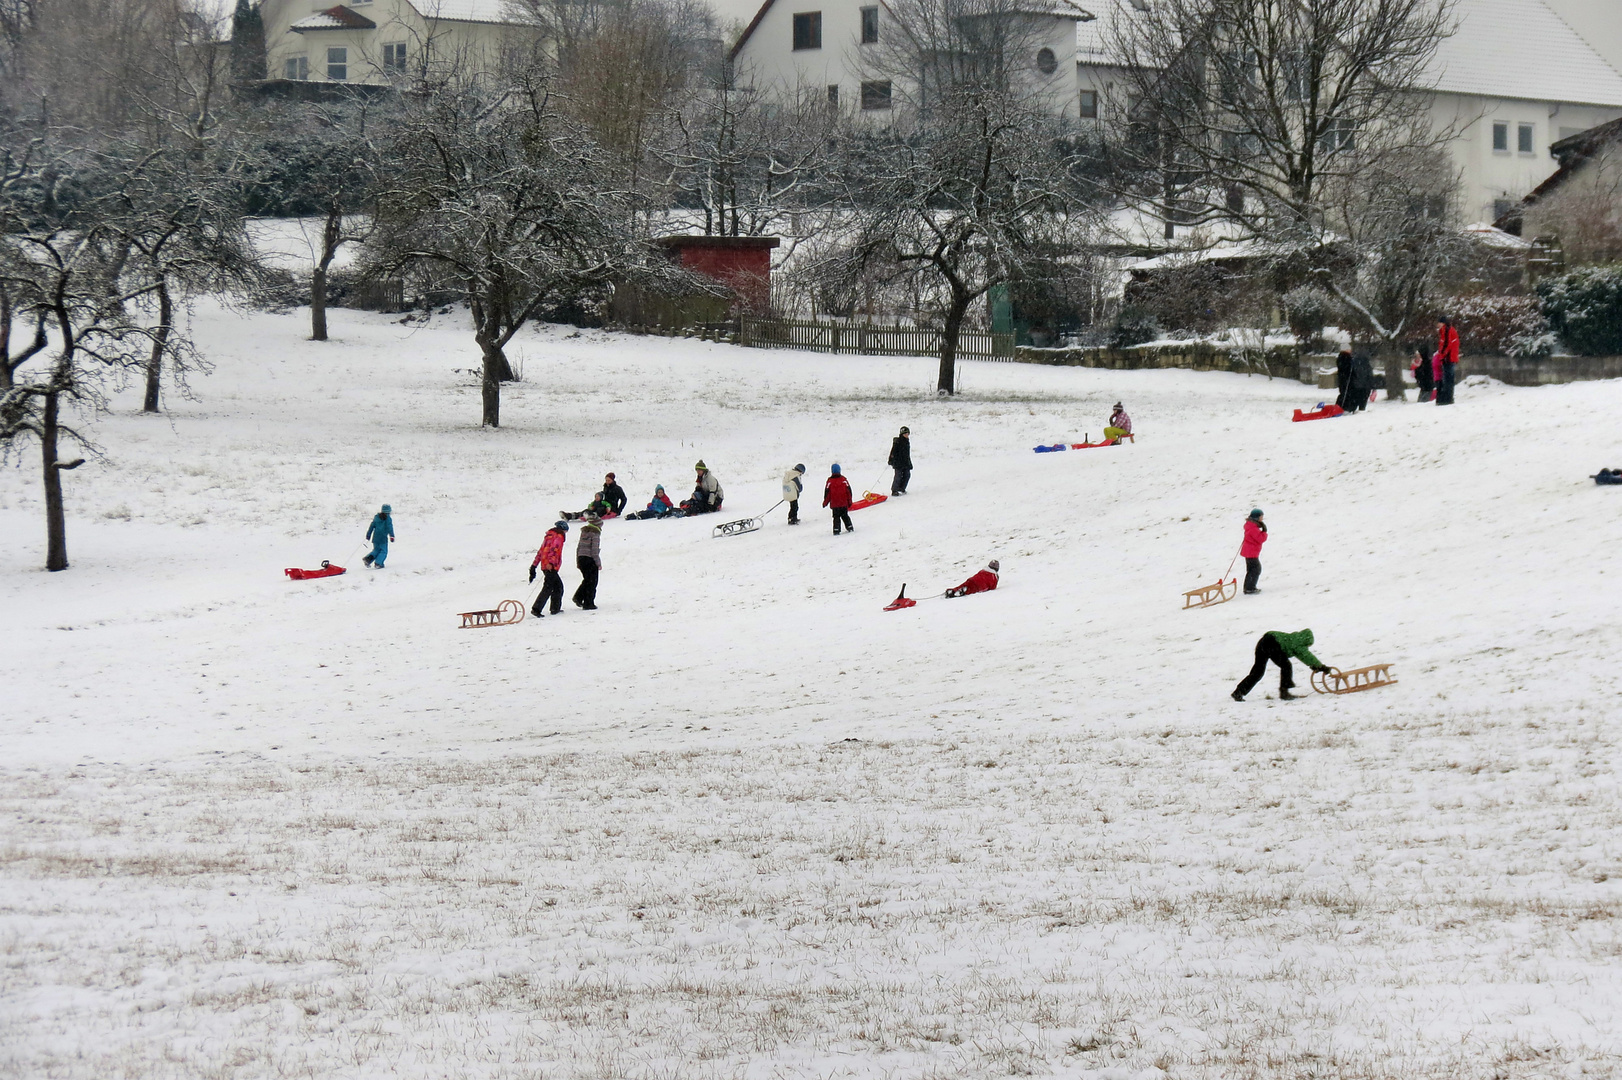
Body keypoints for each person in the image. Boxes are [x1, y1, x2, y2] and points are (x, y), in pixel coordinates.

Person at [1231, 628, 1330, 701]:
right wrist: (1321, 666)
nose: (1307, 647)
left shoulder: (1293, 638)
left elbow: (1303, 657)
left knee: (1258, 671)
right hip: (1273, 643)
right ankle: (1284, 692)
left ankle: (1238, 692)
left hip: (1263, 642)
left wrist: (1314, 666)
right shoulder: (1299, 643)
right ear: (1307, 641)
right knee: (1286, 666)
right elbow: (1306, 656)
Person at [529, 521, 568, 616]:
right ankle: (537, 608)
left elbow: (541, 551)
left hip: (544, 564)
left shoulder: (548, 537)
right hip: (551, 565)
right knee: (552, 587)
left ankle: (554, 608)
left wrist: (534, 565)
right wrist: (551, 562)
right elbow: (554, 549)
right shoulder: (559, 536)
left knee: (555, 586)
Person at [573, 512, 602, 610]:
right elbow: (594, 550)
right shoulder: (595, 534)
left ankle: (578, 597)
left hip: (581, 558)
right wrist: (598, 563)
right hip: (590, 559)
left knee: (587, 580)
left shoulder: (584, 532)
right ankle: (588, 603)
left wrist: (578, 561)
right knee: (592, 582)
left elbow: (578, 547)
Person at [1241, 508, 1267, 594]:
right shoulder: (1253, 528)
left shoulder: (1251, 526)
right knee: (1256, 569)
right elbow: (1260, 539)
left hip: (1249, 551)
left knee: (1251, 569)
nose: (1262, 518)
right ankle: (1250, 588)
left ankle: (1248, 587)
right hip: (1251, 552)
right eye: (1261, 517)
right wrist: (1264, 532)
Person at [1434, 317, 1460, 406]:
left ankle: (1447, 399)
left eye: (1439, 323)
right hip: (1451, 357)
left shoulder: (1446, 330)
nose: (1438, 325)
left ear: (1443, 323)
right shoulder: (1449, 330)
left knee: (1448, 379)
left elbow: (1446, 344)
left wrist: (1442, 355)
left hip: (1448, 358)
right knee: (1449, 378)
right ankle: (1448, 398)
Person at [824, 463, 854, 535]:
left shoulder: (830, 481)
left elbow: (827, 494)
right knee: (845, 515)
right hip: (843, 503)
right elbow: (849, 492)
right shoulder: (844, 480)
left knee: (836, 517)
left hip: (835, 504)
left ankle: (836, 529)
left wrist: (825, 502)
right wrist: (849, 502)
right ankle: (849, 527)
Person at [888, 427, 912, 496]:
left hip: (905, 462)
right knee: (898, 476)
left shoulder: (907, 442)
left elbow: (907, 454)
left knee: (907, 475)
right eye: (905, 434)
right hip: (898, 462)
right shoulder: (897, 442)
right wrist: (891, 459)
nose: (907, 435)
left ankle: (901, 488)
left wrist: (909, 463)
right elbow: (893, 451)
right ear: (902, 434)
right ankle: (894, 490)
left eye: (908, 433)